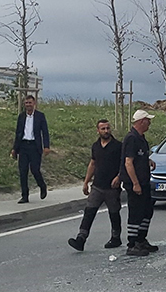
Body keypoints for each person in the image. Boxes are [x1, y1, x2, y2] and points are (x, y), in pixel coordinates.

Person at [68, 119, 124, 251]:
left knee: (114, 213)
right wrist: (86, 182)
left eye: (108, 128)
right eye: (103, 129)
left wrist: (119, 177)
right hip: (97, 186)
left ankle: (116, 237)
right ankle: (81, 238)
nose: (106, 131)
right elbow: (92, 163)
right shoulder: (96, 146)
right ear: (98, 131)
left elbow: (124, 163)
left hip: (112, 187)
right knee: (89, 211)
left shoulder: (118, 146)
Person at [122, 109, 159, 256]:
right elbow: (128, 162)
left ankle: (141, 239)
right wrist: (135, 183)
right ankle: (132, 243)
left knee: (146, 210)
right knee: (136, 212)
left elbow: (138, 157)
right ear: (141, 121)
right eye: (148, 120)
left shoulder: (141, 138)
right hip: (134, 183)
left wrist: (148, 161)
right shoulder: (131, 138)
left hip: (144, 180)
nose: (149, 123)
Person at [10, 94, 50, 203]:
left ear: (34, 104)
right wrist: (14, 149)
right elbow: (18, 133)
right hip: (23, 146)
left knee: (35, 169)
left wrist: (46, 146)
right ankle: (25, 196)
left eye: (30, 103)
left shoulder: (40, 116)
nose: (28, 105)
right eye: (26, 103)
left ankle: (42, 186)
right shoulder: (21, 116)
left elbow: (45, 132)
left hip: (34, 146)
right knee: (23, 171)